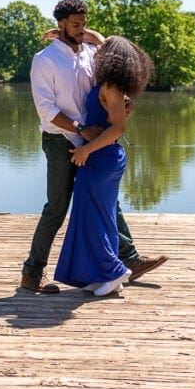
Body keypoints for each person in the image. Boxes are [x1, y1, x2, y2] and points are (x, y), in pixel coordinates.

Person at [20, 0, 167, 294]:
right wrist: (79, 129)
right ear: (61, 23)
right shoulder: (45, 59)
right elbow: (46, 108)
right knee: (58, 207)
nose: (81, 29)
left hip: (95, 141)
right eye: (75, 24)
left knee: (106, 201)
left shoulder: (91, 55)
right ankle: (32, 274)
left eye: (83, 23)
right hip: (61, 140)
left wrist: (124, 105)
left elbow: (112, 55)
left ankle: (129, 261)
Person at [54, 36, 153, 295]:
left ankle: (115, 271)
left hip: (104, 158)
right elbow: (99, 38)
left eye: (102, 51)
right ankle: (99, 273)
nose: (96, 52)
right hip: (99, 158)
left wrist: (86, 148)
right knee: (91, 216)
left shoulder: (113, 87)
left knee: (99, 217)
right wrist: (63, 32)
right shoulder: (106, 82)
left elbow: (118, 128)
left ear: (110, 57)